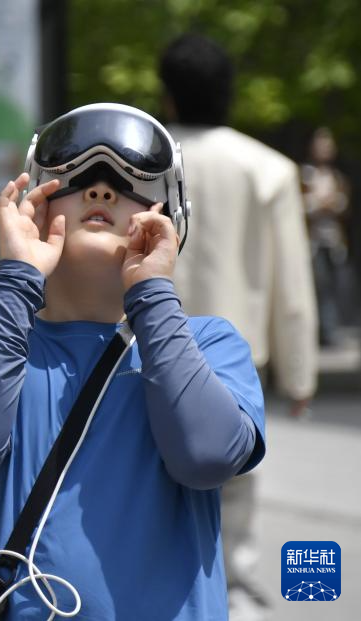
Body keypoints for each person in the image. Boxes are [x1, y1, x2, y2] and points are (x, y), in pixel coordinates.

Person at [0, 103, 265, 619]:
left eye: (130, 183)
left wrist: (152, 293)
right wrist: (17, 278)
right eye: (77, 177)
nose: (101, 191)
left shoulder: (211, 344)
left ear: (172, 214)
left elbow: (207, 456)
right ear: (35, 204)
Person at [159, 33, 318, 620]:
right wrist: (299, 375)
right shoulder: (268, 168)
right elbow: (292, 285)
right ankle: (231, 591)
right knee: (236, 480)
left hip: (144, 347)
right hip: (235, 359)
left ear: (168, 94)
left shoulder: (145, 161)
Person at [301, 127, 353, 346]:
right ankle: (321, 331)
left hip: (334, 241)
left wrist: (332, 204)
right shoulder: (305, 175)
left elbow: (344, 205)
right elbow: (301, 206)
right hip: (313, 241)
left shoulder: (337, 177)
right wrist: (321, 203)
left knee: (334, 285)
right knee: (318, 285)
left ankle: (330, 329)